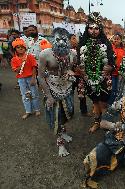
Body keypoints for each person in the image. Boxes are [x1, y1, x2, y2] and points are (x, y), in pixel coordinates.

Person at [38, 27, 76, 157]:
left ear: (69, 40)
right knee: (56, 117)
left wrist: (71, 73)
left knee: (68, 113)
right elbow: (40, 76)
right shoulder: (45, 54)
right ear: (52, 40)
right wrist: (48, 96)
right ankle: (60, 144)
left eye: (64, 39)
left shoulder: (72, 54)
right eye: (58, 39)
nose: (61, 42)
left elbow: (72, 69)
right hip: (52, 88)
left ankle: (63, 132)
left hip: (66, 87)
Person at [78, 12, 115, 133]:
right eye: (91, 28)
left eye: (96, 28)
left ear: (100, 29)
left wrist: (110, 67)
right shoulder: (82, 43)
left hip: (103, 78)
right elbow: (78, 61)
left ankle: (106, 124)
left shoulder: (106, 43)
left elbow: (112, 61)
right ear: (87, 29)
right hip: (88, 78)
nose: (93, 31)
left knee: (103, 103)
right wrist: (80, 69)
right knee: (94, 102)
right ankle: (97, 122)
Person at [10, 38, 40, 119]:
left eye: (22, 47)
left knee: (34, 94)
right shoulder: (14, 59)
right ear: (15, 49)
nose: (20, 48)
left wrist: (34, 78)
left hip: (31, 77)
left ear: (25, 48)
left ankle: (37, 109)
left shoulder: (29, 56)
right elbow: (16, 70)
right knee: (25, 95)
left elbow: (34, 67)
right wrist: (21, 63)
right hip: (21, 79)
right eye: (18, 47)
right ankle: (28, 111)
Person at [109, 33, 125, 104]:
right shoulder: (110, 48)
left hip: (120, 73)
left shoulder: (124, 50)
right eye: (115, 39)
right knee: (112, 89)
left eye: (118, 39)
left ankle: (117, 103)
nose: (116, 40)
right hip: (111, 73)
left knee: (119, 89)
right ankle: (110, 104)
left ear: (121, 40)